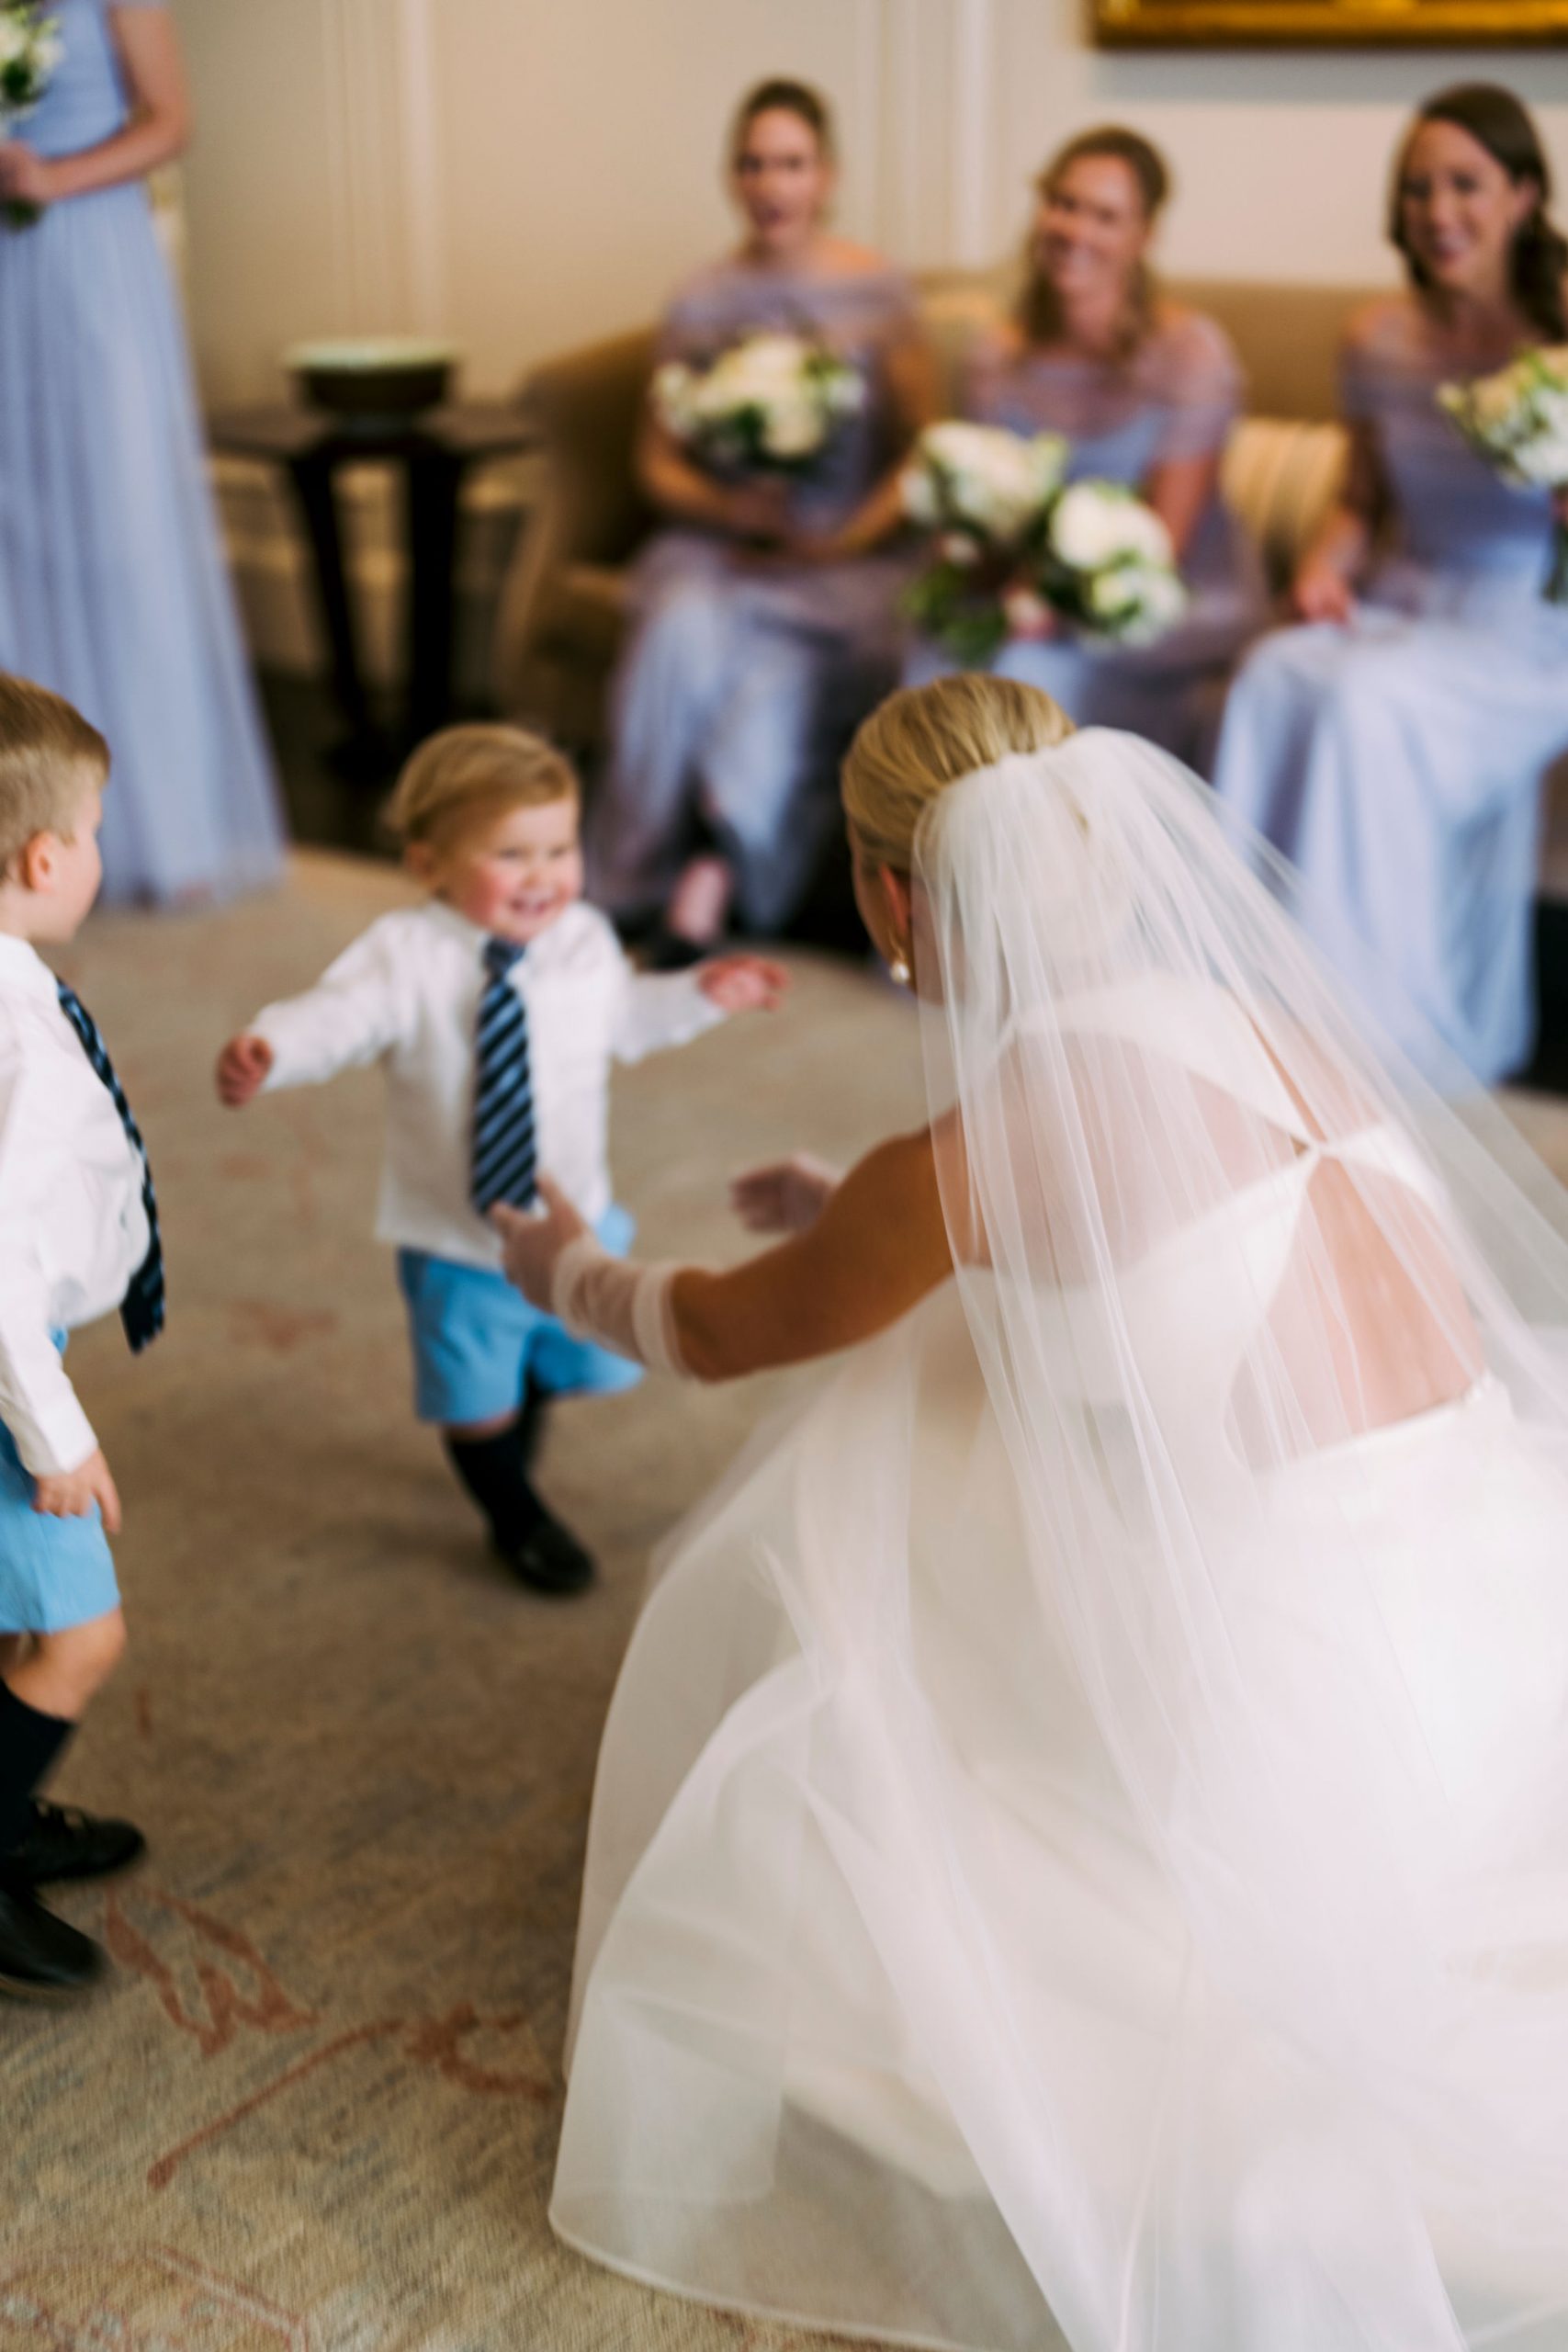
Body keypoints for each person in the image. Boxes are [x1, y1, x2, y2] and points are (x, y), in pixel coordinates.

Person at [498, 672, 1568, 2348]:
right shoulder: (1265, 1020)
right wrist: (867, 1220)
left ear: (889, 897)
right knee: (955, 1365)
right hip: (1501, 1641)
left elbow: (714, 1333)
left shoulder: (969, 1158)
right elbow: (1138, 1230)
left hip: (1302, 1736)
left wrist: (559, 1262)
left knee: (868, 1449)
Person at [215, 725, 784, 1595]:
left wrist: (699, 995)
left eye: (559, 849)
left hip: (574, 1219)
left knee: (577, 1353)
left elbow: (625, 1017)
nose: (542, 875)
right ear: (428, 864)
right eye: (510, 854)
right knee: (472, 1397)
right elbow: (339, 1015)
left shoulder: (583, 938)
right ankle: (513, 1513)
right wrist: (274, 1047)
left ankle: (524, 1411)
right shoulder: (404, 953)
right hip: (458, 1238)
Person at [1213, 84, 1568, 1089]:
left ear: (1523, 196)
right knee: (1273, 672)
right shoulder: (1375, 337)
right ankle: (1245, 999)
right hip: (1406, 598)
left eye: (1465, 184)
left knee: (1364, 702)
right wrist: (1320, 572)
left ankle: (1366, 1042)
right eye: (1417, 188)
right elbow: (1359, 500)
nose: (1437, 211)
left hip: (1529, 626)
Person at [591, 76, 933, 962]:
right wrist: (731, 506)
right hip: (725, 545)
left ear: (827, 176)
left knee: (776, 662)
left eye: (790, 164)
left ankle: (723, 866)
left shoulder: (875, 291)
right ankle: (629, 872)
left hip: (843, 550)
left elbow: (921, 449)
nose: (769, 184)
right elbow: (656, 461)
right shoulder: (700, 296)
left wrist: (845, 536)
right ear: (729, 176)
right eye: (751, 164)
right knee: (679, 629)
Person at [0, 0, 285, 906]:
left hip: (89, 253)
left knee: (124, 533)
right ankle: (22, 822)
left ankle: (161, 824)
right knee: (11, 542)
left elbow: (170, 120)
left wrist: (52, 177)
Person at [906, 126, 1264, 769]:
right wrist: (962, 550)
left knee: (1022, 678)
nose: (1075, 230)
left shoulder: (1188, 355)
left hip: (1159, 603)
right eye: (1063, 204)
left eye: (1105, 216)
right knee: (928, 662)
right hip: (1027, 595)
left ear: (1144, 236)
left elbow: (1162, 544)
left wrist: (1046, 602)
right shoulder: (996, 354)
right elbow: (986, 521)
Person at [0, 674, 157, 1999]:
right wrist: (55, 1436)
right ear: (43, 859)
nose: (98, 855)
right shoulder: (17, 1050)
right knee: (78, 1638)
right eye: (95, 832)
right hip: (11, 1376)